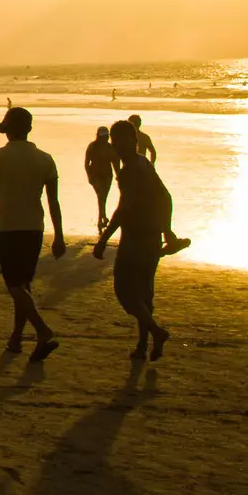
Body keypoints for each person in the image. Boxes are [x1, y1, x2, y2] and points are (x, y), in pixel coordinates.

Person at [0, 106, 64, 360]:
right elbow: (53, 202)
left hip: (9, 228)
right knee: (23, 286)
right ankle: (16, 338)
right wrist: (59, 235)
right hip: (35, 228)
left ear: (8, 131)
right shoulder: (45, 159)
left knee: (14, 286)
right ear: (29, 129)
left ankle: (43, 330)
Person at [95, 120, 172, 360]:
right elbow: (165, 196)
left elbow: (123, 209)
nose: (118, 148)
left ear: (133, 141)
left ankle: (156, 332)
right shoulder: (144, 163)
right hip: (151, 237)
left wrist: (103, 240)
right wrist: (166, 230)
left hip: (136, 239)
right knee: (144, 293)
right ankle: (142, 346)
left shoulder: (130, 170)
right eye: (115, 143)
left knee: (125, 291)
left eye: (122, 142)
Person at [85, 126, 116, 232]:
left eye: (106, 136)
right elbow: (86, 163)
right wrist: (89, 176)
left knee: (103, 197)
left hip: (107, 175)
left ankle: (101, 219)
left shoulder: (110, 147)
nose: (105, 139)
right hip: (95, 175)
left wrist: (119, 176)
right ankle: (102, 218)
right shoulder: (92, 146)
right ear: (98, 136)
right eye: (103, 137)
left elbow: (115, 162)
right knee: (101, 196)